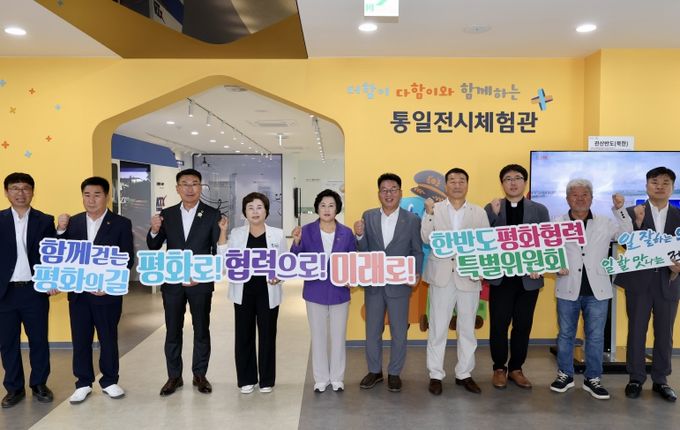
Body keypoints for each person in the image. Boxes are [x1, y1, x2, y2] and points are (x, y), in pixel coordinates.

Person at [550, 179, 636, 400]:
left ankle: (593, 378)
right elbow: (547, 251)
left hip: (598, 289)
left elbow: (627, 237)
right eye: (575, 195)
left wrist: (620, 209)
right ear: (567, 198)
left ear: (592, 198)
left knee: (596, 337)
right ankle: (565, 375)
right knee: (566, 335)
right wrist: (553, 266)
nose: (580, 199)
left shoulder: (605, 222)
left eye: (585, 195)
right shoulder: (556, 222)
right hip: (567, 287)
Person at [147, 168, 227, 397]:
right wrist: (154, 230)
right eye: (185, 183)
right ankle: (174, 376)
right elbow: (154, 246)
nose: (190, 188)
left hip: (200, 283)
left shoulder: (212, 214)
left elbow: (216, 251)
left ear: (201, 187)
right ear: (177, 188)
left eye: (194, 183)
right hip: (173, 283)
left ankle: (200, 375)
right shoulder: (167, 214)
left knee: (201, 329)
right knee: (173, 329)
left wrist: (200, 274)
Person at [57, 176, 134, 404]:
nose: (91, 200)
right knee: (80, 339)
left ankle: (109, 380)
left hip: (107, 294)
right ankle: (83, 383)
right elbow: (60, 253)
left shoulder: (120, 223)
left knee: (108, 338)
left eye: (97, 195)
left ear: (107, 197)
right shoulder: (73, 222)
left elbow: (127, 258)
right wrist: (60, 230)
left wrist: (109, 284)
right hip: (79, 294)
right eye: (87, 195)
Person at [422, 168, 489, 396]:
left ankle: (464, 374)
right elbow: (426, 238)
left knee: (467, 329)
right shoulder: (435, 209)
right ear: (446, 185)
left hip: (469, 276)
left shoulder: (478, 212)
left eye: (461, 181)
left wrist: (482, 269)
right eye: (452, 181)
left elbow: (485, 245)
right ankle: (435, 374)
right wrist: (428, 213)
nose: (457, 184)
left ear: (467, 185)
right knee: (438, 328)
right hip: (441, 276)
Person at [615, 166, 680, 402]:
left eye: (665, 182)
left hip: (669, 282)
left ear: (672, 187)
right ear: (646, 186)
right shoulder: (632, 213)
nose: (660, 186)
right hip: (639, 281)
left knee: (665, 333)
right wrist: (638, 224)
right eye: (655, 182)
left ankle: (661, 380)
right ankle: (635, 378)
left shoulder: (679, 215)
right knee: (636, 331)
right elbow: (625, 243)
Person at [354, 173, 423, 392]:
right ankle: (375, 371)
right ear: (379, 194)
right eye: (384, 190)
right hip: (374, 285)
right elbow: (363, 251)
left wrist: (416, 273)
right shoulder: (368, 217)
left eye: (393, 189)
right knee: (372, 331)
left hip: (400, 285)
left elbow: (417, 251)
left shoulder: (412, 220)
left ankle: (394, 373)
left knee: (399, 332)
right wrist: (359, 236)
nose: (389, 194)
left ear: (400, 193)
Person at [484, 164, 550, 389]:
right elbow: (483, 239)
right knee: (499, 324)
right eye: (508, 179)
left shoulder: (539, 209)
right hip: (501, 278)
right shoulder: (492, 207)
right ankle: (499, 368)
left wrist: (541, 264)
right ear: (502, 183)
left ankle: (516, 368)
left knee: (523, 325)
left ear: (525, 182)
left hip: (528, 279)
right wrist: (492, 216)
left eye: (517, 178)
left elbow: (545, 242)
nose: (513, 182)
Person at [290, 189, 356, 393]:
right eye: (323, 205)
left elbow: (353, 259)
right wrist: (296, 242)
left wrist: (352, 279)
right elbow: (295, 260)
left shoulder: (346, 232)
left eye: (331, 205)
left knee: (338, 337)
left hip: (339, 291)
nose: (327, 209)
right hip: (315, 290)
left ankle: (337, 378)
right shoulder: (306, 231)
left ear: (337, 209)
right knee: (318, 336)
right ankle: (320, 379)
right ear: (317, 208)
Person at [0, 173, 56, 408]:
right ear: (6, 192)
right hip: (5, 293)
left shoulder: (45, 220)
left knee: (39, 340)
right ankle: (14, 388)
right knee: (7, 343)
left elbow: (52, 255)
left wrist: (52, 280)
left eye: (25, 188)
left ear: (33, 191)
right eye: (15, 188)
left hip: (34, 291)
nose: (20, 193)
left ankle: (39, 384)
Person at [227, 192, 286, 394]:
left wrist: (280, 276)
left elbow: (285, 263)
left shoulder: (278, 234)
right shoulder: (236, 234)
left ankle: (267, 380)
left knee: (268, 335)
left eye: (259, 207)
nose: (255, 211)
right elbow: (226, 260)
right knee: (243, 335)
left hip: (268, 291)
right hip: (243, 291)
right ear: (244, 212)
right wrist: (222, 234)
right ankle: (246, 379)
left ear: (266, 211)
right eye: (250, 208)